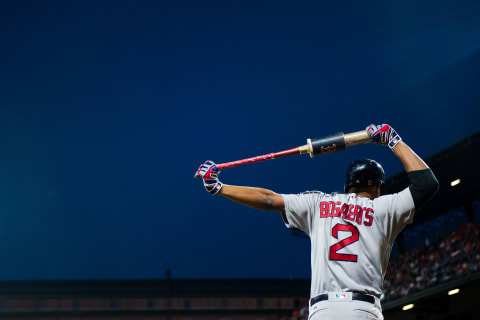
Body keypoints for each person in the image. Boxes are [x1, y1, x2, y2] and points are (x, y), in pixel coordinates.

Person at [194, 124, 438, 320]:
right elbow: (427, 184)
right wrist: (393, 140)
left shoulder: (318, 204)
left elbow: (268, 200)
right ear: (377, 186)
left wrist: (219, 187)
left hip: (322, 310)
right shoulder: (385, 208)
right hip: (363, 310)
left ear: (348, 184)